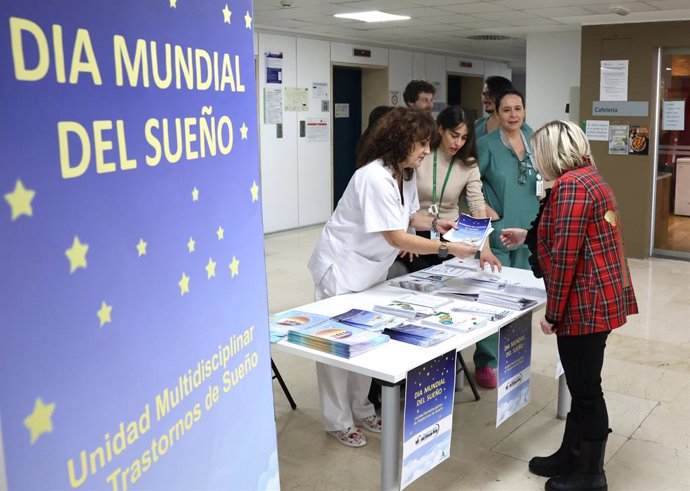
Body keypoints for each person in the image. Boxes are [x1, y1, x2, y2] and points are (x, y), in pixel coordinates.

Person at [307, 108, 477, 447]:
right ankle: (338, 420)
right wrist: (445, 246)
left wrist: (435, 224)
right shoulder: (373, 176)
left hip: (370, 271)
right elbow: (396, 237)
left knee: (366, 342)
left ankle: (362, 407)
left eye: (429, 144)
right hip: (341, 269)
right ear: (400, 140)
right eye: (422, 144)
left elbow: (409, 215)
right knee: (338, 347)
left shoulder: (405, 173)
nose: (427, 151)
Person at [500, 120, 638, 491]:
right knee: (581, 384)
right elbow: (571, 233)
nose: (535, 159)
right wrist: (529, 234)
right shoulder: (589, 178)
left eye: (537, 152)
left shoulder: (571, 188)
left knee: (587, 389)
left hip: (585, 303)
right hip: (599, 297)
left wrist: (553, 313)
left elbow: (564, 257)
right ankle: (571, 455)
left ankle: (591, 475)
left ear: (550, 153)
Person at [474, 89, 541, 389]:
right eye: (506, 110)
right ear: (497, 114)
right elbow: (470, 181)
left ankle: (512, 353)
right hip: (499, 233)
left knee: (522, 299)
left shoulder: (535, 141)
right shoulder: (486, 144)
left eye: (518, 108)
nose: (513, 115)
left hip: (529, 230)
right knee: (492, 298)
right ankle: (487, 361)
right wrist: (486, 210)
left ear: (524, 111)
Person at [394, 105, 501, 272]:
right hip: (416, 231)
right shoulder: (421, 156)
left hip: (452, 231)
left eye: (464, 138)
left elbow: (478, 207)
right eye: (454, 135)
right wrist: (405, 237)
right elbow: (401, 200)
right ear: (441, 129)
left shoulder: (469, 163)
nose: (458, 143)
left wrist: (485, 248)